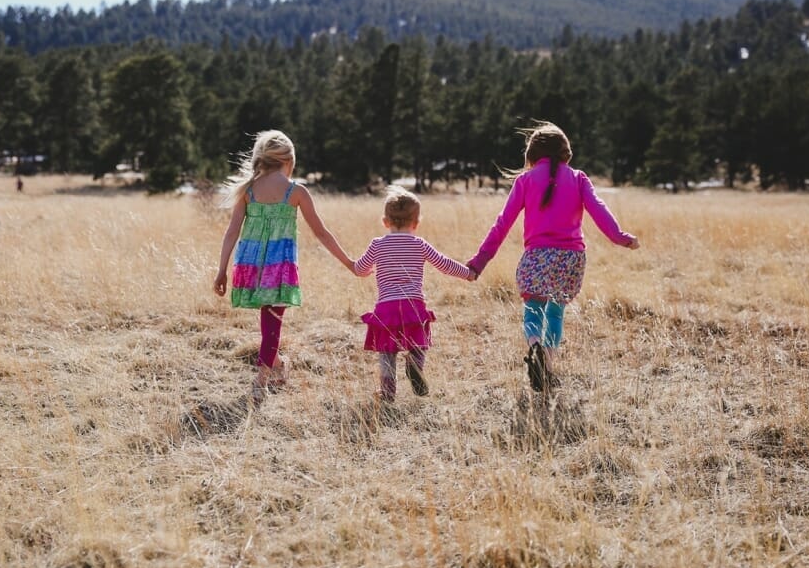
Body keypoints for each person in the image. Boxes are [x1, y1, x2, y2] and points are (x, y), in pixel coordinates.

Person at [467, 122, 639, 392]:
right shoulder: (579, 178)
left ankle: (534, 344)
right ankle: (546, 363)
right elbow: (599, 210)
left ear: (531, 155)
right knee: (556, 312)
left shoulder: (525, 181)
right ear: (566, 153)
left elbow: (502, 224)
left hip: (537, 256)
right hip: (571, 259)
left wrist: (480, 261)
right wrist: (621, 237)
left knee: (533, 308)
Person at [213, 130, 354, 404]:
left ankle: (277, 365)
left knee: (268, 323)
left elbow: (231, 232)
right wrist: (348, 262)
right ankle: (260, 382)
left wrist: (221, 269)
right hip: (279, 265)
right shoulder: (296, 191)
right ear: (289, 160)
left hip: (250, 264)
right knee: (273, 324)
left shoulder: (248, 190)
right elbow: (322, 233)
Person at [352, 187, 476, 402]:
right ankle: (415, 366)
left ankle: (388, 392)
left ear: (385, 221)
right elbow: (444, 264)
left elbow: (360, 269)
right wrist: (468, 273)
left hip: (386, 306)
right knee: (418, 342)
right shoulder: (419, 244)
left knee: (387, 351)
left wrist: (367, 270)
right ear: (416, 223)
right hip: (413, 305)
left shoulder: (378, 245)